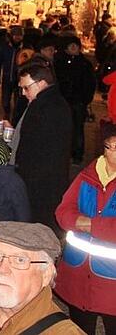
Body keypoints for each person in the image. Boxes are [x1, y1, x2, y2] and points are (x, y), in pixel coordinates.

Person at [54, 134, 116, 334]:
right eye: (109, 146)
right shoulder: (87, 176)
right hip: (78, 276)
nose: (113, 152)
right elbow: (63, 214)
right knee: (80, 329)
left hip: (112, 283)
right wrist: (99, 225)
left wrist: (88, 224)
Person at [11, 61, 72, 229]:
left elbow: (33, 149)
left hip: (39, 184)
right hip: (50, 182)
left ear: (41, 83)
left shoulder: (41, 107)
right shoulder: (56, 103)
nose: (23, 93)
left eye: (26, 88)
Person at [54, 36, 95, 164]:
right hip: (63, 100)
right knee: (62, 127)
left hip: (78, 101)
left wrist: (86, 99)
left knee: (77, 128)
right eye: (71, 46)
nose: (74, 48)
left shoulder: (85, 64)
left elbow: (91, 83)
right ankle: (62, 152)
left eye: (76, 46)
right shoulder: (59, 62)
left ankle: (77, 154)